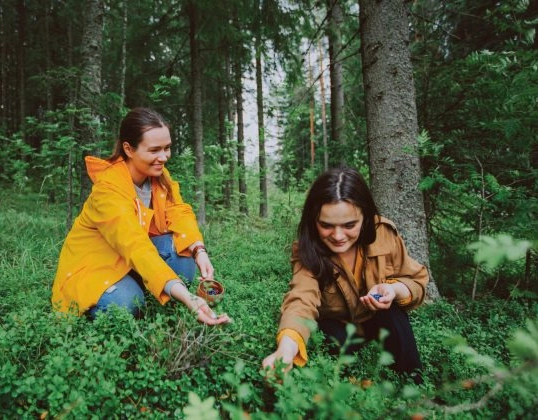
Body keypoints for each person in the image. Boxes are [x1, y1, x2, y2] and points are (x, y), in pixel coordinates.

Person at [51, 107, 230, 325]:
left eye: (167, 148)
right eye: (154, 150)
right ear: (128, 148)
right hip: (97, 267)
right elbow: (134, 244)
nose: (163, 157)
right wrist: (187, 296)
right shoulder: (108, 189)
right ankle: (117, 297)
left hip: (130, 260)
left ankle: (155, 286)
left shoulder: (157, 175)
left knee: (183, 254)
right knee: (129, 304)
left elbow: (178, 211)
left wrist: (198, 250)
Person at [262, 167, 428, 380]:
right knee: (330, 339)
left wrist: (393, 289)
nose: (338, 236)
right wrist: (285, 350)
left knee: (394, 316)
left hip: (378, 320)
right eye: (326, 225)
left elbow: (416, 280)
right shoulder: (307, 250)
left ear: (365, 217)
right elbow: (301, 300)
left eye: (350, 225)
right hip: (336, 326)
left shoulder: (384, 234)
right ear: (314, 220)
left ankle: (414, 383)